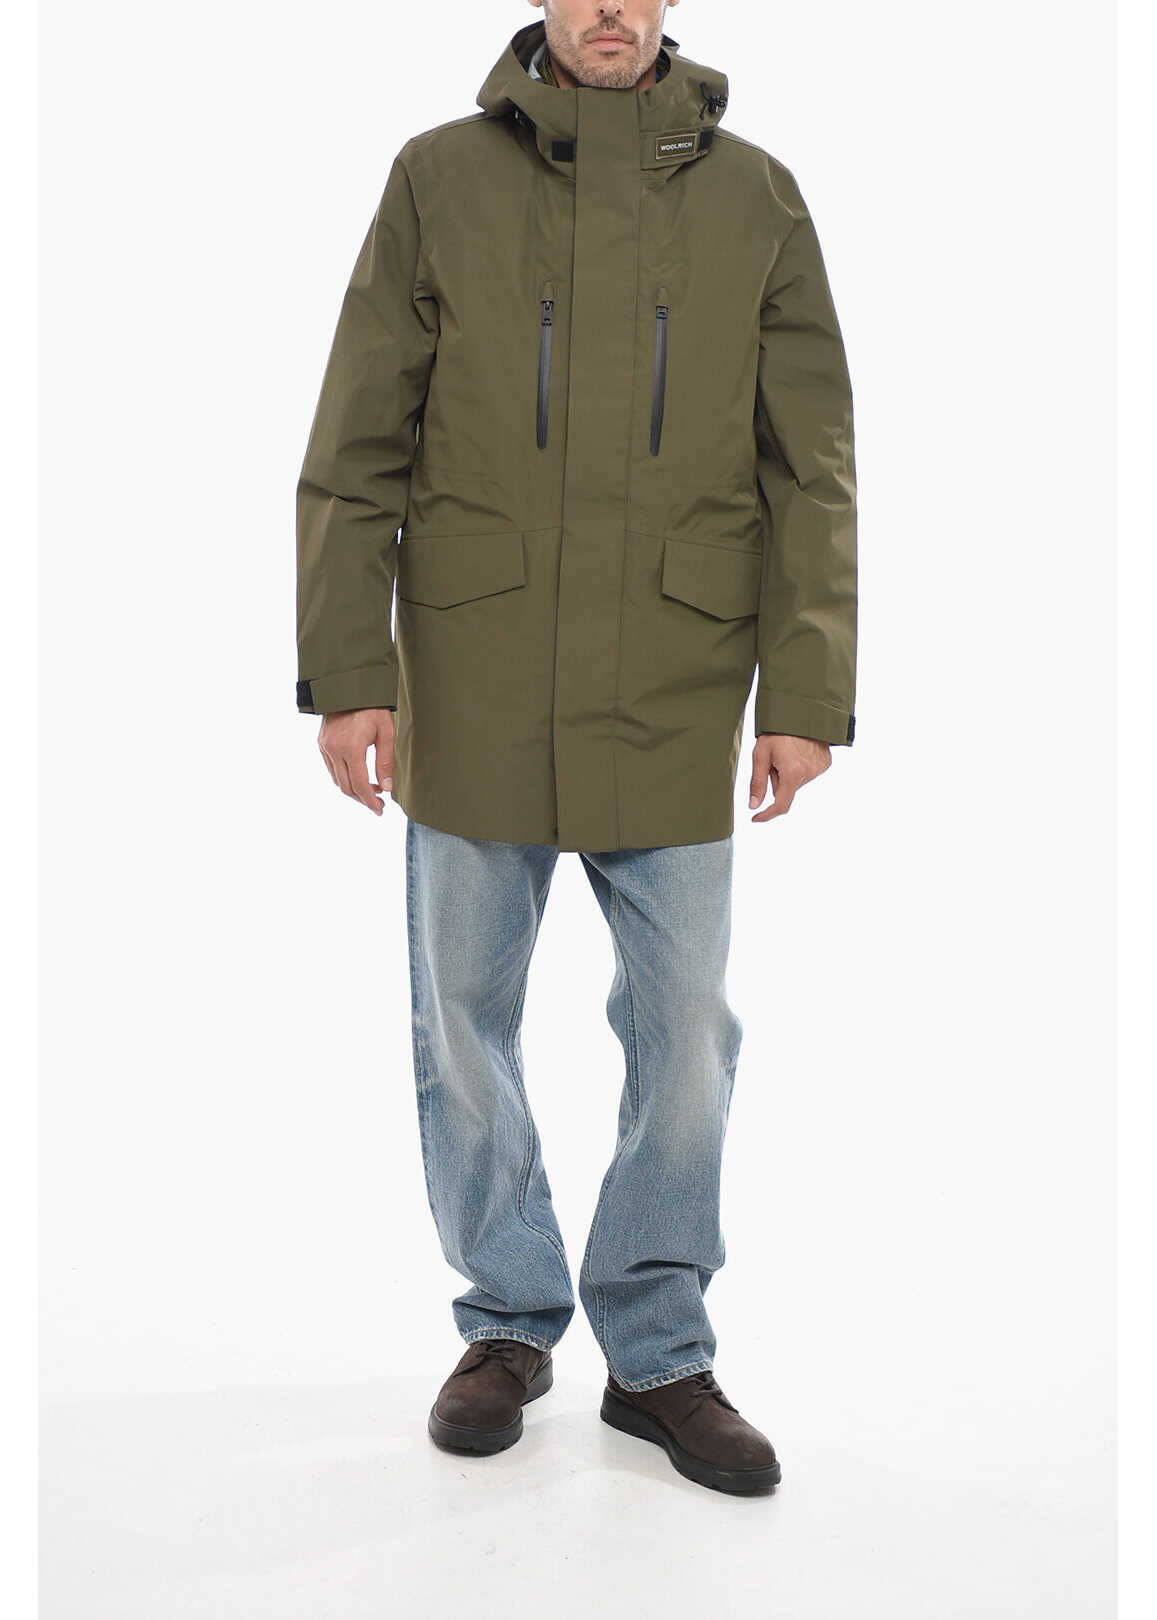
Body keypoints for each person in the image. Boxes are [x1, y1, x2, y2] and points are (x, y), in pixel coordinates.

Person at [295, 0, 857, 1498]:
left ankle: (658, 1351)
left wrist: (804, 690)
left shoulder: (757, 195)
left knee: (686, 1035)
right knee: (460, 1023)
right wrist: (351, 673)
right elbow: (356, 446)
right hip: (472, 669)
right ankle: (506, 1317)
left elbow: (810, 465)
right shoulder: (437, 176)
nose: (611, 7)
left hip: (677, 672)